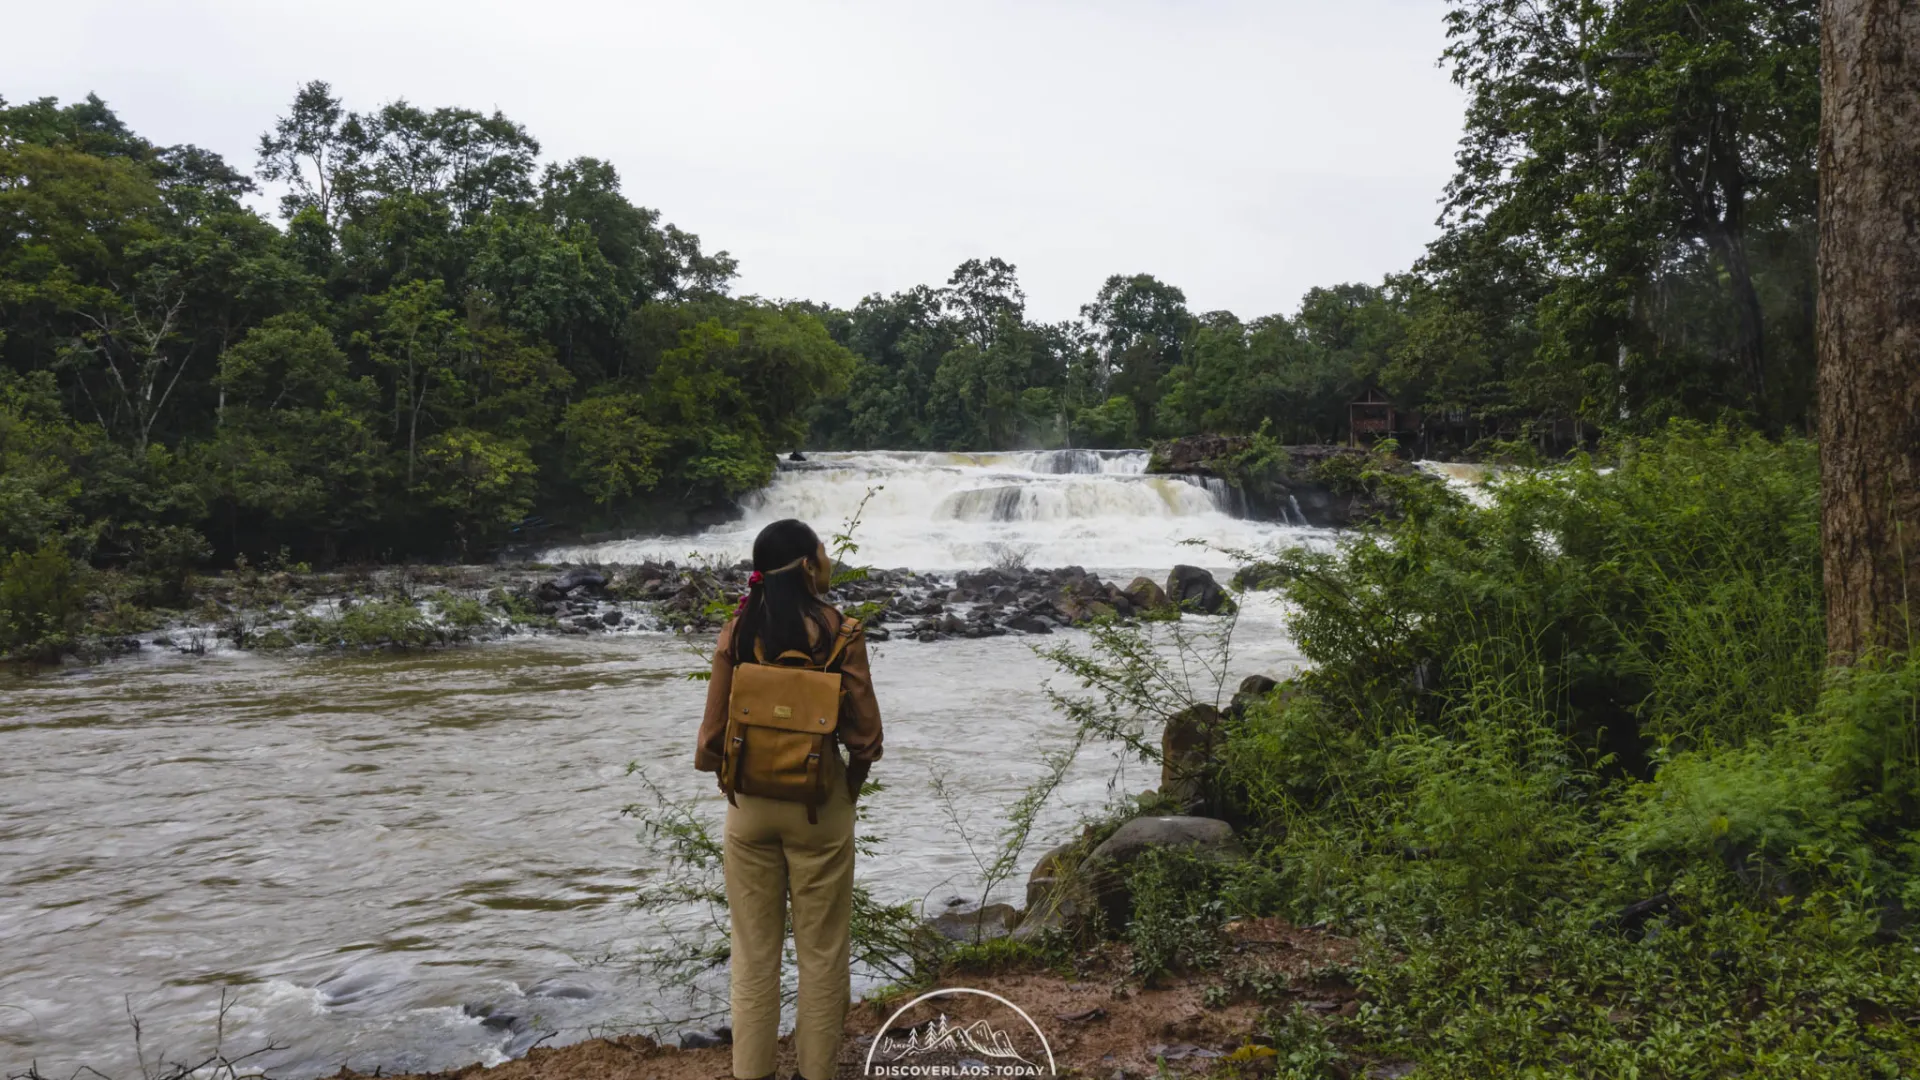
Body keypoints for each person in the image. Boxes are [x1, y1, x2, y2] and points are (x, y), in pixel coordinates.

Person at [695, 518, 883, 1080]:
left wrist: (739, 784)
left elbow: (709, 743)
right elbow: (866, 739)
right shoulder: (841, 633)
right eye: (822, 551)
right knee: (821, 954)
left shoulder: (739, 628)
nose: (827, 558)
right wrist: (847, 790)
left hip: (747, 809)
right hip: (818, 808)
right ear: (807, 565)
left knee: (753, 955)